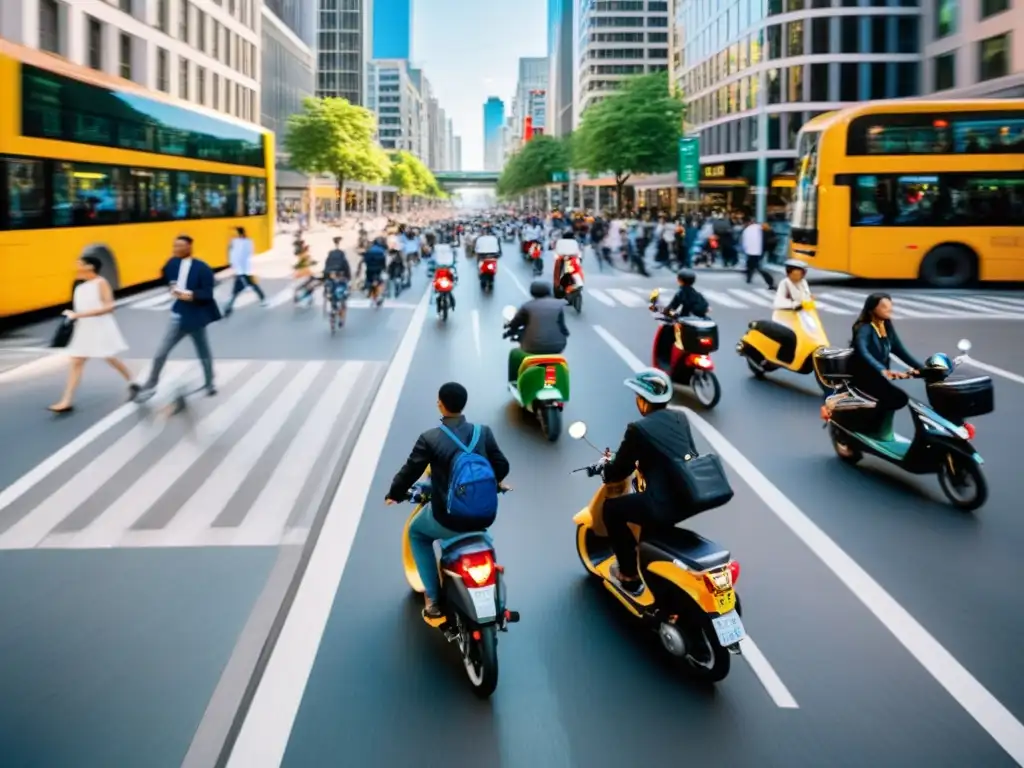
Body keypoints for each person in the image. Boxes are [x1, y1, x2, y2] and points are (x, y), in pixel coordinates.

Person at [385, 382, 511, 618]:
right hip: (485, 516)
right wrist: (496, 483)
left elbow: (410, 471)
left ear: (441, 405)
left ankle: (433, 598)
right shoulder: (483, 433)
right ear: (463, 405)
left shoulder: (430, 438)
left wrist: (395, 493)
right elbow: (502, 465)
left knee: (417, 533)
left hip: (447, 518)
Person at [600, 369, 700, 596]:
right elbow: (687, 454)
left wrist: (606, 471)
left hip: (662, 502)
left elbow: (619, 470)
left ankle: (628, 574)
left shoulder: (638, 429)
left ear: (644, 401)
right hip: (690, 496)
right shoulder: (680, 418)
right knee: (648, 512)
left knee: (611, 510)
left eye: (638, 396)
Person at [135, 235, 221, 401]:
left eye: (180, 246)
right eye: (174, 246)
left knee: (202, 351)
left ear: (189, 247)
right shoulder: (172, 263)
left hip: (195, 318)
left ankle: (210, 383)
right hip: (178, 316)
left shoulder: (202, 268)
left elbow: (207, 294)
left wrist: (188, 295)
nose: (176, 249)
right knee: (162, 352)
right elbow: (164, 275)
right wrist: (171, 284)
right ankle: (151, 384)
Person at [49, 253, 137, 413]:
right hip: (83, 328)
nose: (76, 266)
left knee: (110, 358)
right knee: (76, 362)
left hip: (99, 327)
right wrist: (73, 315)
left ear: (90, 266)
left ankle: (134, 382)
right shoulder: (79, 285)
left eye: (80, 263)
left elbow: (109, 307)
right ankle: (66, 401)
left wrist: (80, 315)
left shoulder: (101, 283)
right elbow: (80, 308)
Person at [849, 293, 925, 438]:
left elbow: (901, 351)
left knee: (898, 398)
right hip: (864, 376)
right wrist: (881, 369)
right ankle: (869, 428)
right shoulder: (864, 328)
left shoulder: (887, 327)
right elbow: (863, 351)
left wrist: (923, 369)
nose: (889, 309)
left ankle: (879, 429)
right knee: (896, 398)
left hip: (878, 377)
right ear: (872, 309)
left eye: (890, 305)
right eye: (884, 306)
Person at [505, 281, 570, 382]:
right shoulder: (558, 306)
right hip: (557, 347)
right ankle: (550, 382)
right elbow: (563, 327)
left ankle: (516, 382)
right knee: (551, 362)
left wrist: (509, 332)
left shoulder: (527, 307)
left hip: (532, 347)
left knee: (515, 354)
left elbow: (515, 324)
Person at [224, 226, 266, 316]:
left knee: (246, 287)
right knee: (247, 287)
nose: (234, 235)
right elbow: (235, 254)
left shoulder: (242, 242)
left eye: (236, 234)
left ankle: (228, 307)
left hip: (244, 270)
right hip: (242, 270)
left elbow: (240, 256)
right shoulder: (240, 242)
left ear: (240, 234)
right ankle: (229, 307)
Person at [740, 213, 775, 289]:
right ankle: (749, 278)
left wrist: (745, 250)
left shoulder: (748, 230)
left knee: (755, 266)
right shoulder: (760, 227)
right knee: (752, 265)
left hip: (753, 251)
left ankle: (770, 282)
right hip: (759, 250)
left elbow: (745, 242)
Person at [359, 236, 388, 305]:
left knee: (369, 280)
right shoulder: (381, 250)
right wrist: (384, 269)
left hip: (370, 269)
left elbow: (364, 260)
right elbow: (384, 261)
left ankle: (368, 291)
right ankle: (380, 294)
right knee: (381, 282)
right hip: (378, 269)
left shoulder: (369, 250)